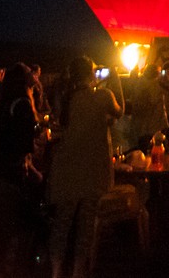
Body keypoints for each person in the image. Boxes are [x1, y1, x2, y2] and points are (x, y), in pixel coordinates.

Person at [48, 57, 124, 278]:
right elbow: (120, 110)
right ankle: (78, 272)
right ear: (90, 74)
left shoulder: (66, 98)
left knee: (62, 224)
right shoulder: (103, 96)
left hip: (67, 169)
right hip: (92, 169)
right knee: (85, 225)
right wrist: (116, 80)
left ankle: (55, 272)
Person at [0, 63, 42, 273]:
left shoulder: (2, 101)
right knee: (14, 226)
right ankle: (9, 268)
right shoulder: (23, 104)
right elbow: (24, 143)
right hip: (12, 171)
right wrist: (35, 146)